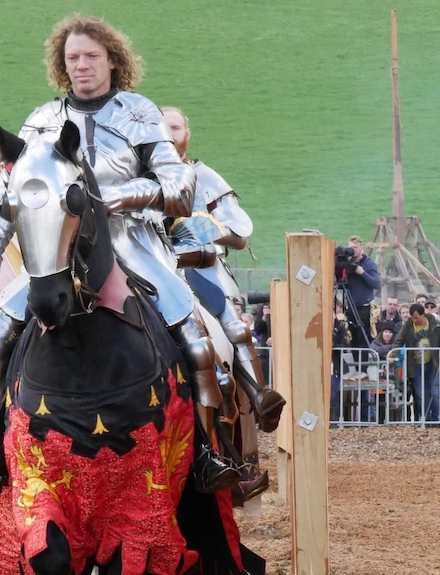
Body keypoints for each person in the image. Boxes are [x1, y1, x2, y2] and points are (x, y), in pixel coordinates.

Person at [0, 14, 235, 495]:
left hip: (134, 241)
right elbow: (11, 196)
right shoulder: (41, 121)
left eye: (91, 56)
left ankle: (207, 453)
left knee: (196, 342)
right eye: (73, 58)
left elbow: (179, 185)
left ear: (112, 60)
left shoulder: (139, 113)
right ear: (61, 65)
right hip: (61, 247)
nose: (82, 65)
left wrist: (124, 196)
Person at [162, 105, 280, 500]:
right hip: (157, 271)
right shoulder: (142, 176)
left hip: (202, 268)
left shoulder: (203, 176)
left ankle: (259, 401)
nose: (169, 132)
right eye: (162, 127)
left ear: (187, 132)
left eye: (175, 126)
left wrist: (212, 227)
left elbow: (241, 231)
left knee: (232, 327)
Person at [393, 304, 440, 421]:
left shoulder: (433, 323)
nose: (414, 320)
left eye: (417, 318)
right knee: (421, 393)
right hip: (415, 364)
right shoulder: (408, 326)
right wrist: (394, 355)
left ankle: (437, 418)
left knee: (435, 391)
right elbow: (398, 341)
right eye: (412, 318)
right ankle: (425, 418)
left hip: (433, 363)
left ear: (423, 315)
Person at [342, 235, 381, 349]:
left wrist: (362, 273)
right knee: (352, 339)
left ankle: (362, 366)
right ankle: (356, 364)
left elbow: (376, 283)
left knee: (362, 340)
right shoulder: (347, 264)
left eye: (355, 247)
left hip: (364, 308)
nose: (353, 250)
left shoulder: (369, 264)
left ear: (361, 247)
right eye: (351, 248)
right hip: (350, 307)